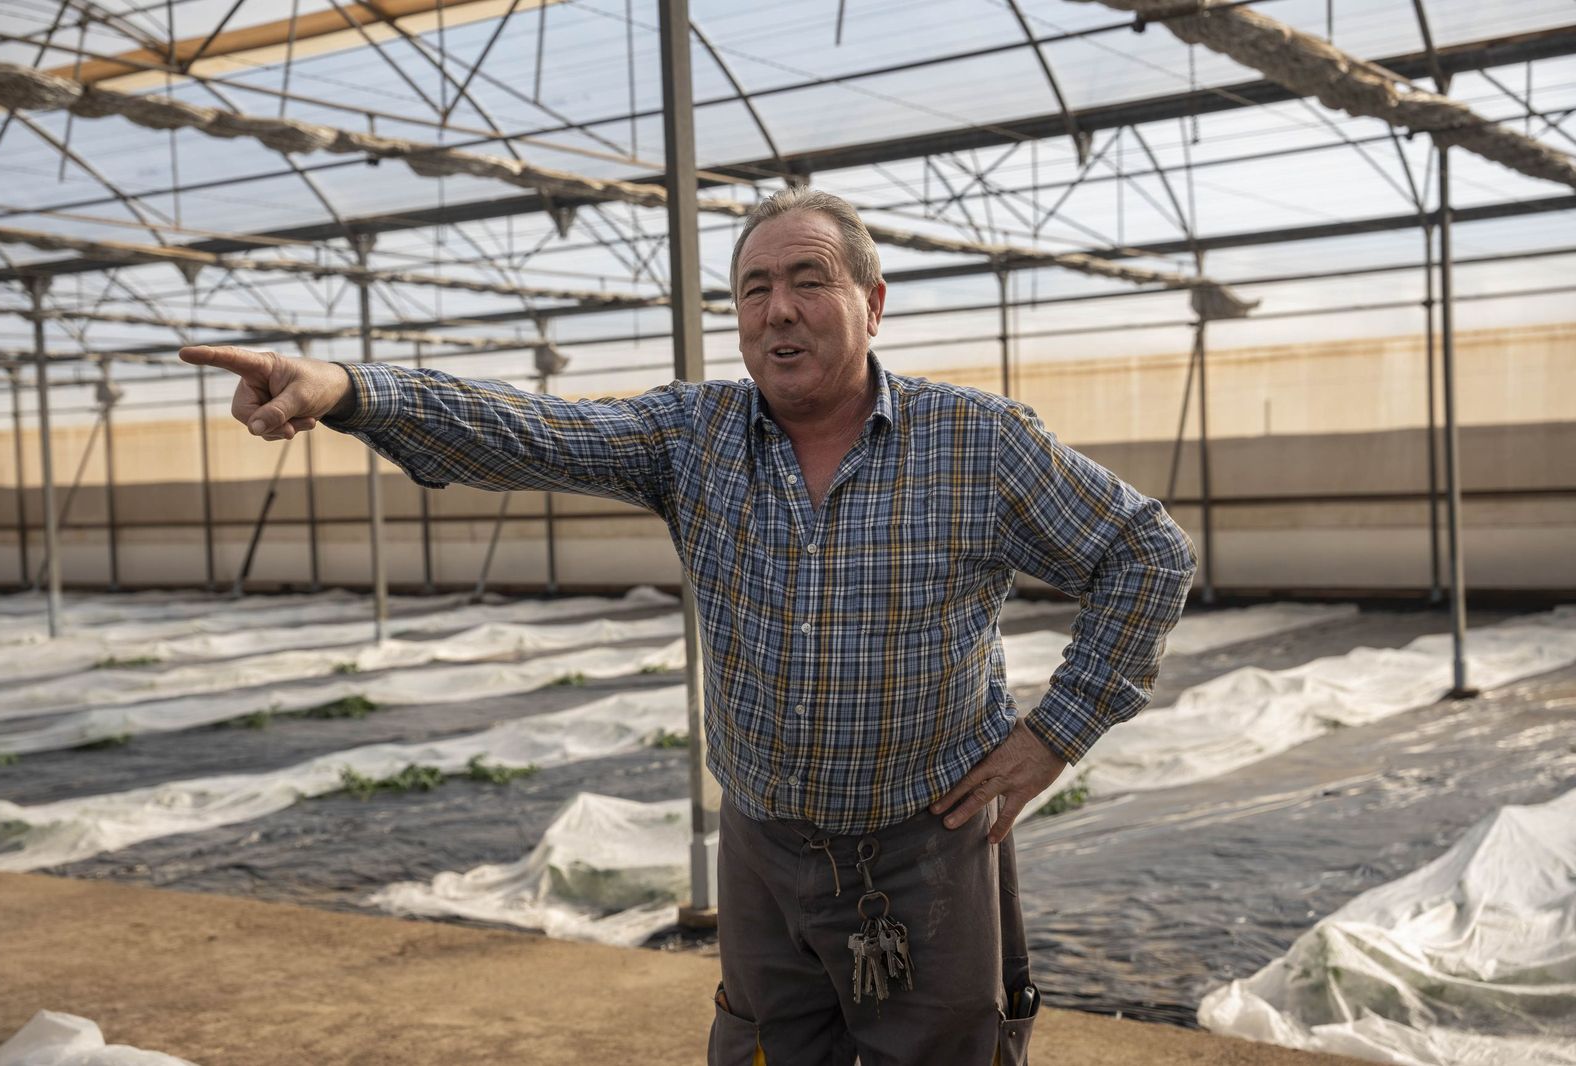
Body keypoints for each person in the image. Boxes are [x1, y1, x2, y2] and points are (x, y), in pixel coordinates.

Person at [181, 187, 1195, 1065]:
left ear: (872, 305)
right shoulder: (693, 437)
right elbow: (532, 431)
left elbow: (1147, 551)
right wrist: (353, 393)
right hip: (763, 846)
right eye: (754, 289)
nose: (778, 310)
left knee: (937, 1049)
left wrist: (1056, 733)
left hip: (923, 847)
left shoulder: (978, 444)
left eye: (808, 280)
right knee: (762, 1041)